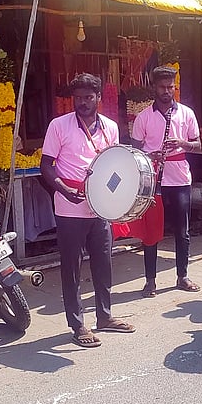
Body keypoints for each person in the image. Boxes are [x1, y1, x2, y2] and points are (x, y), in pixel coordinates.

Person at [40, 73, 136, 348]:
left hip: (100, 206)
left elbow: (115, 164)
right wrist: (62, 189)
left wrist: (118, 198)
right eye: (78, 98)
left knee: (103, 263)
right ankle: (77, 323)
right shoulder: (59, 125)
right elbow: (46, 165)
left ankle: (104, 316)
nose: (82, 102)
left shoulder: (110, 127)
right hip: (70, 206)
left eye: (88, 97)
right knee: (71, 267)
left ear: (98, 98)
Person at [131, 66, 201, 297]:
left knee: (182, 231)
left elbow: (198, 144)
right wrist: (150, 156)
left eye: (170, 87)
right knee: (151, 232)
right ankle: (150, 281)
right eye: (162, 87)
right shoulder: (143, 117)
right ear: (155, 87)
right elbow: (134, 151)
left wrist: (182, 143)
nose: (167, 91)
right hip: (153, 180)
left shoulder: (186, 113)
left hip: (180, 179)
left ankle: (183, 276)